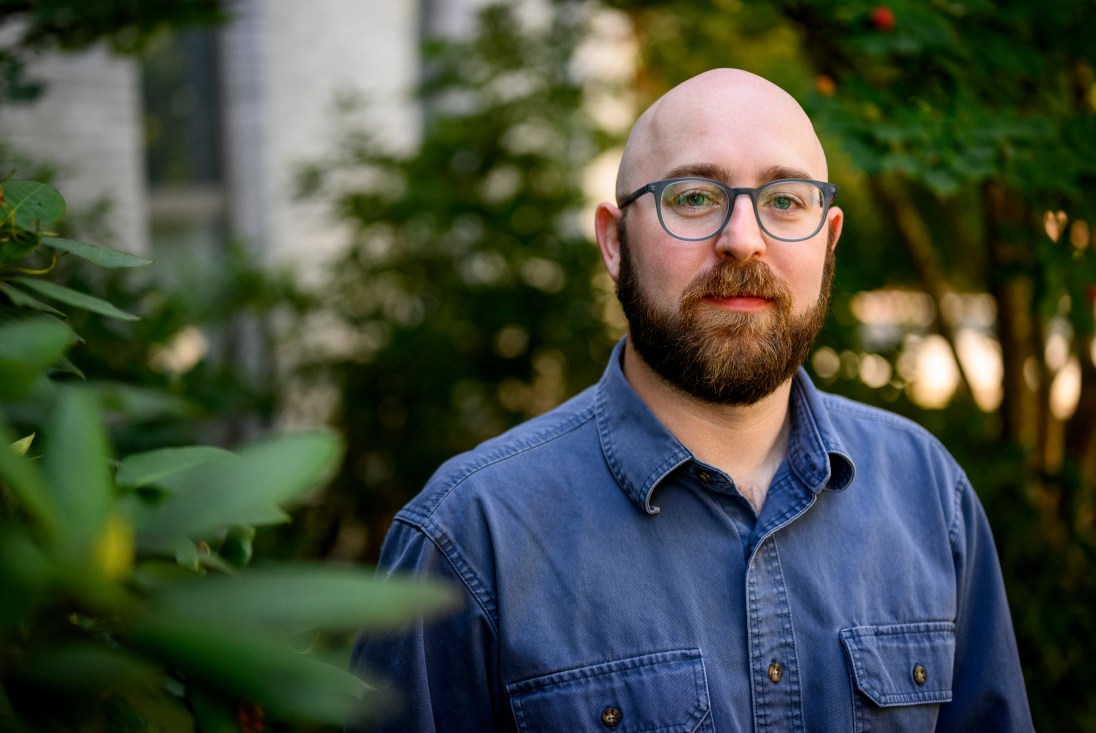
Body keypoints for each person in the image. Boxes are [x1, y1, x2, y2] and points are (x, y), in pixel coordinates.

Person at [348, 68, 1032, 732]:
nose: (742, 238)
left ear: (828, 243)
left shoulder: (928, 493)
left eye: (786, 199)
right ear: (615, 243)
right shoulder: (471, 536)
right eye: (695, 197)